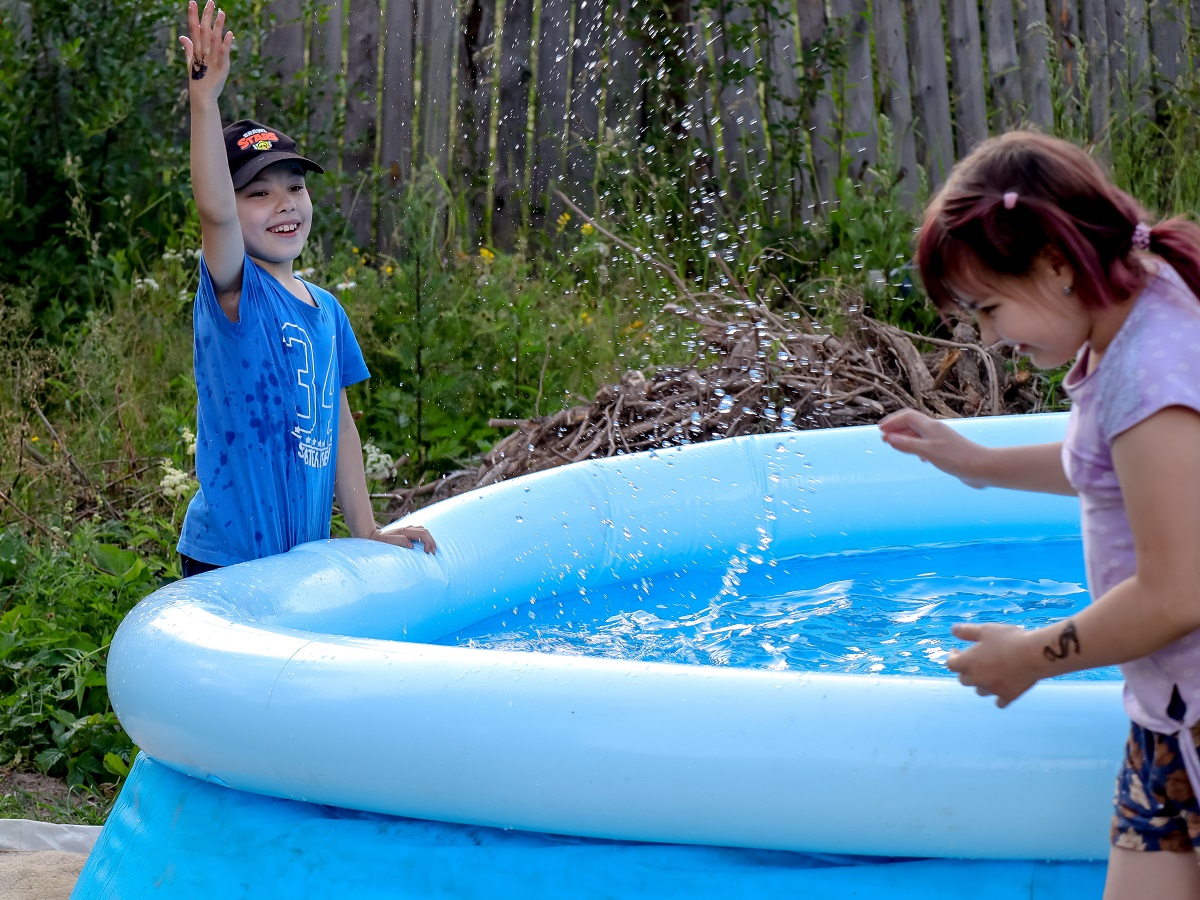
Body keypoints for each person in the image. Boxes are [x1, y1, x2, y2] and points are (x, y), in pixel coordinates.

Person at [879, 131, 1200, 898]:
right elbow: (1121, 475)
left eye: (989, 308)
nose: (988, 338)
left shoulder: (1155, 370)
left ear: (1057, 265)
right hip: (1168, 714)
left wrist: (1031, 655)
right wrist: (979, 465)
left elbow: (1174, 594)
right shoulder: (1132, 313)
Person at [174, 0, 434, 577]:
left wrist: (366, 530)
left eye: (294, 187)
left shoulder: (328, 312)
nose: (284, 202)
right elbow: (214, 212)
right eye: (258, 194)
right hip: (228, 559)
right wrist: (204, 102)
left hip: (297, 557)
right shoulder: (237, 294)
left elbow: (339, 425)